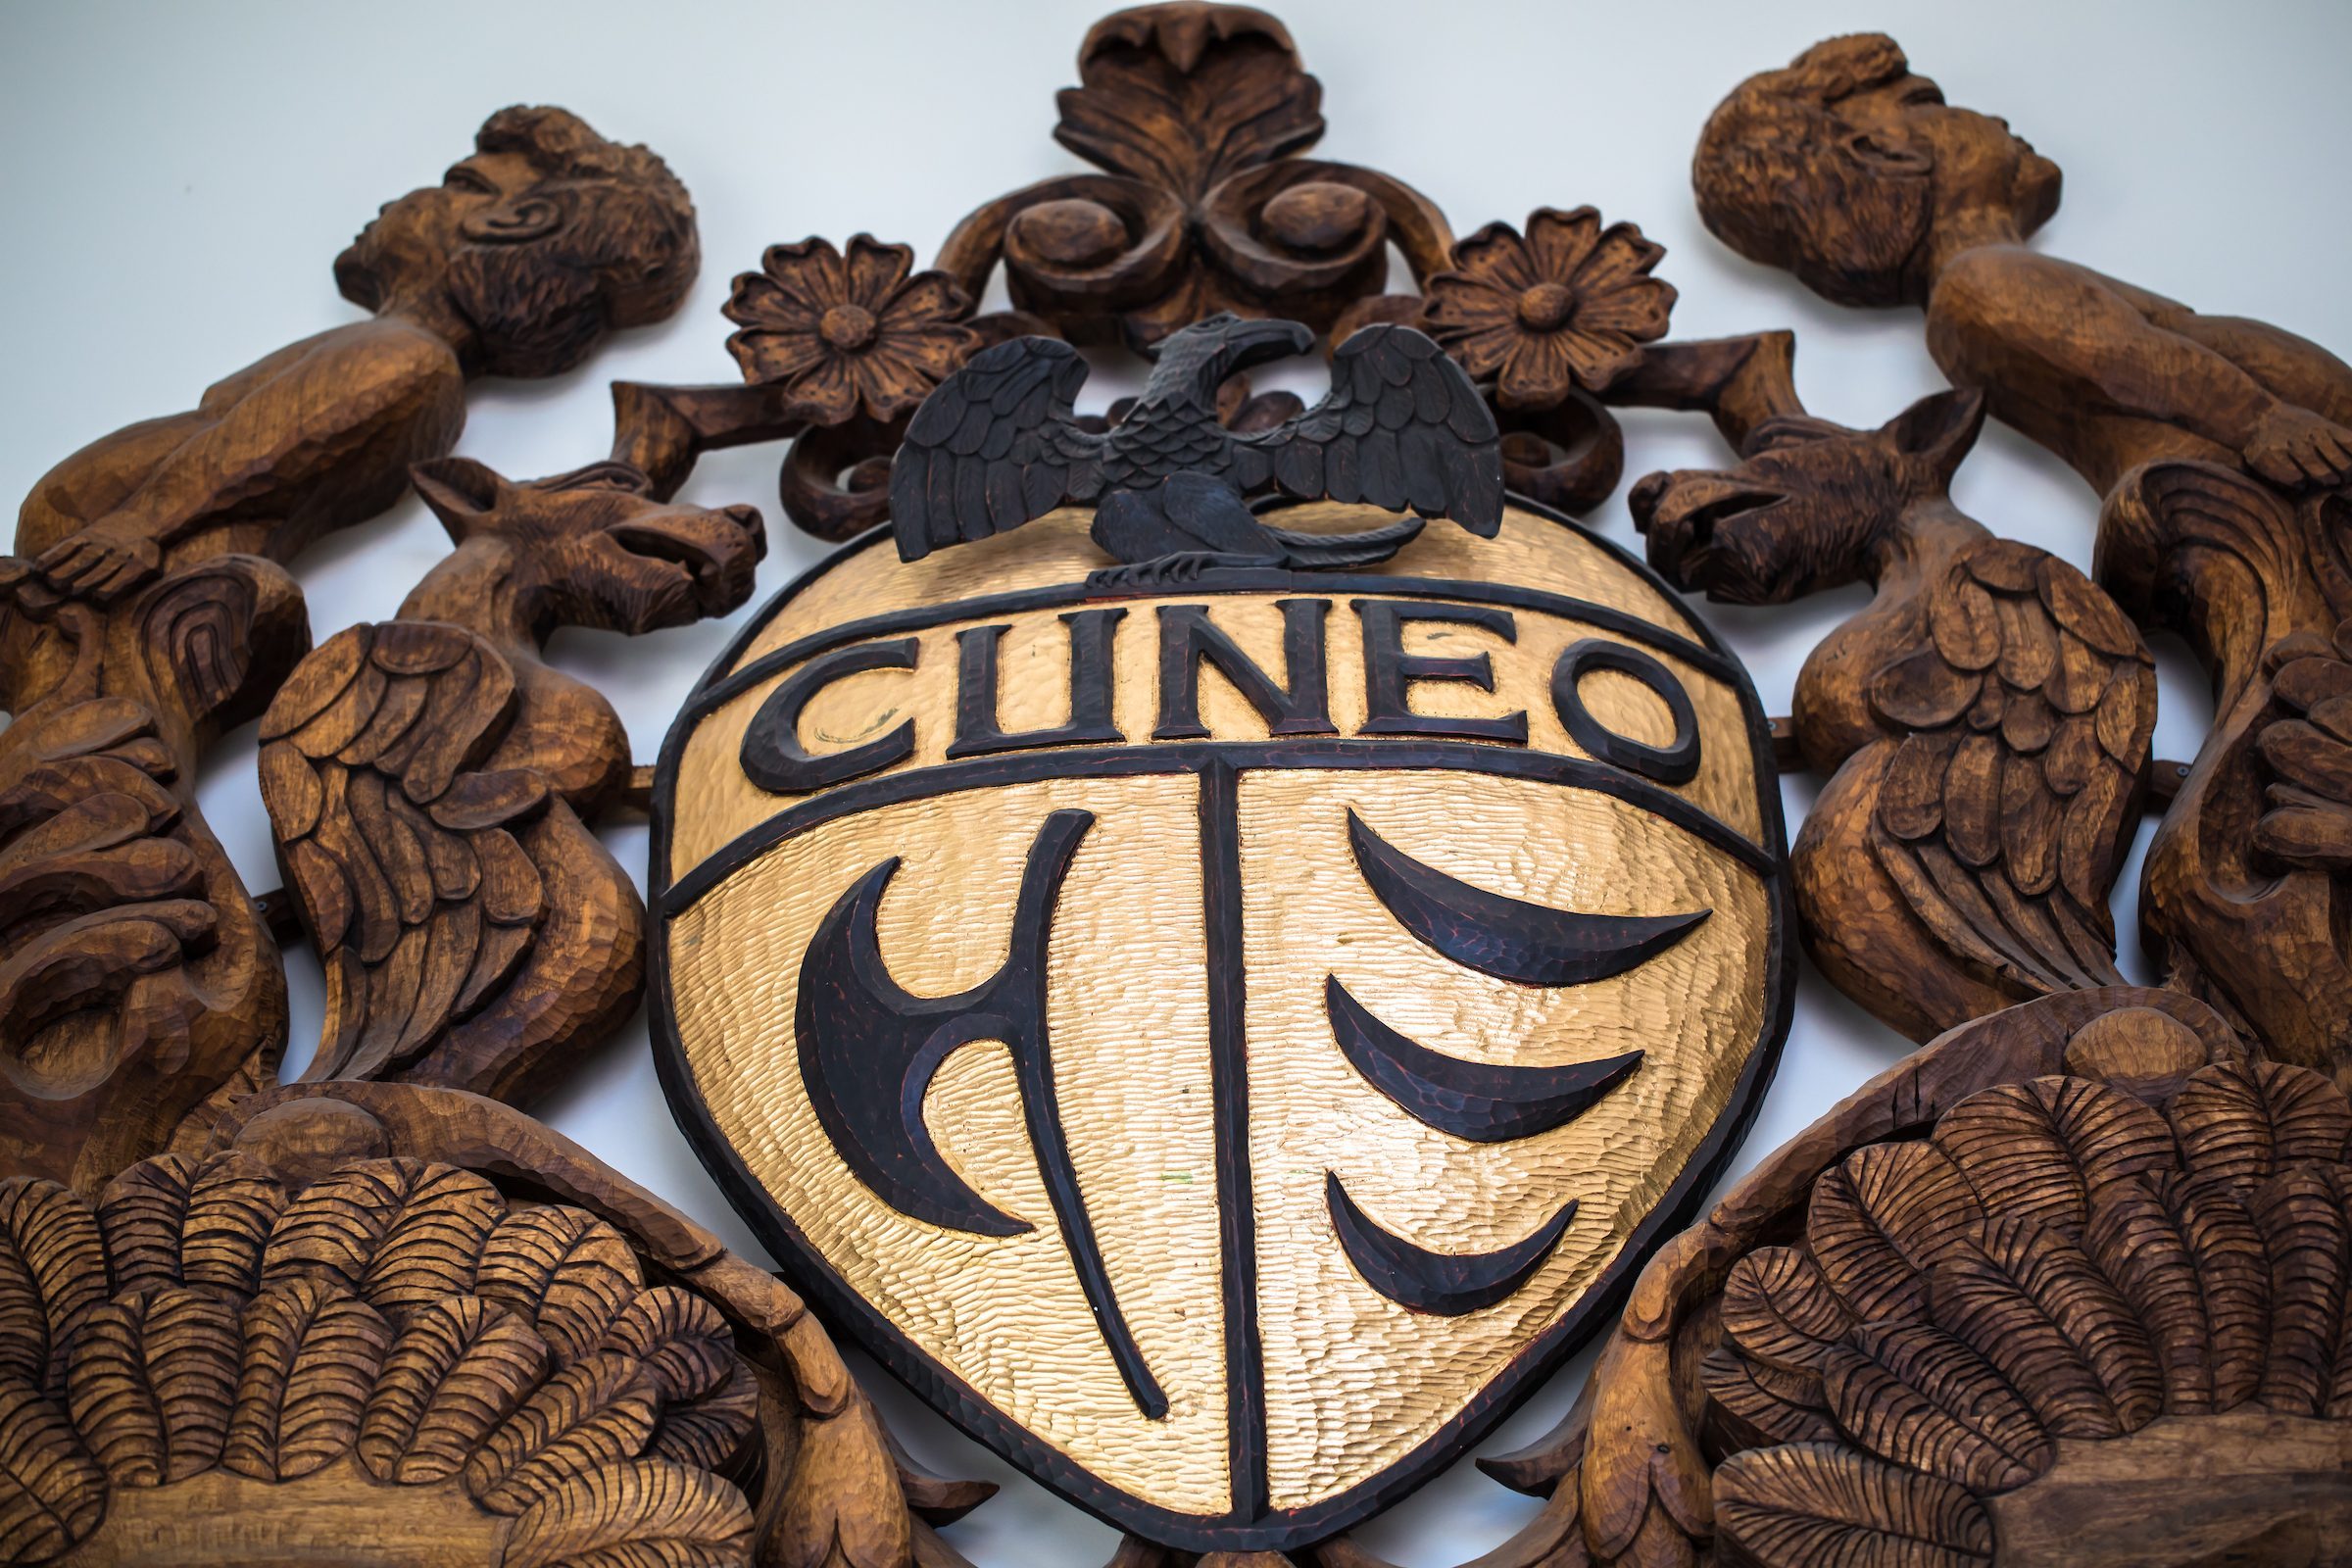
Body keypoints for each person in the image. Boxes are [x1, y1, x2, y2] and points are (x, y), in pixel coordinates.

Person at [12, 105, 697, 607]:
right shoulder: (391, 344)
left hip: (119, 574)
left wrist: (139, 525)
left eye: (458, 182)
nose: (405, 197)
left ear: (512, 220)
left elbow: (263, 446)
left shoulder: (407, 356)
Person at [1692, 33, 2352, 502]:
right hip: (2284, 477)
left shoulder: (1994, 269)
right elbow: (2123, 357)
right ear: (1885, 151)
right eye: (1928, 101)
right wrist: (2262, 421)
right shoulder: (1981, 280)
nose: (1992, 115)